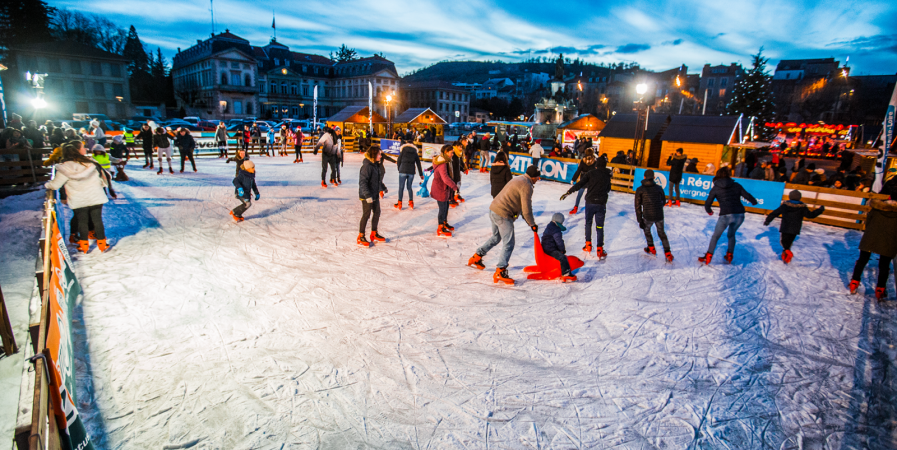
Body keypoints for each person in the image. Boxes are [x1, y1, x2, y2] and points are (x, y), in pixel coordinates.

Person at [467, 165, 542, 285]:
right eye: (537, 177)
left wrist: (528, 221)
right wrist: (532, 224)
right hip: (503, 214)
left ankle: (477, 256)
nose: (538, 179)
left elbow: (522, 208)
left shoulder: (519, 179)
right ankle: (500, 271)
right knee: (509, 243)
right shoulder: (527, 185)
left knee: (496, 237)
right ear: (533, 177)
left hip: (493, 209)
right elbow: (526, 209)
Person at [45, 144, 111, 253]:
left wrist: (47, 185)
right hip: (96, 196)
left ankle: (84, 244)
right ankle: (102, 243)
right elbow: (103, 178)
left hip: (79, 199)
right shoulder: (90, 164)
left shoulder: (64, 168)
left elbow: (55, 185)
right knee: (97, 220)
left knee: (82, 221)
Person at [699, 167, 758, 264]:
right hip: (739, 215)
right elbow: (747, 195)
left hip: (726, 215)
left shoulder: (716, 188)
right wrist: (754, 201)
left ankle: (708, 256)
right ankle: (729, 255)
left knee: (715, 236)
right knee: (731, 234)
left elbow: (708, 203)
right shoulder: (736, 185)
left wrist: (709, 211)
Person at [848, 186, 896, 299]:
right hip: (888, 240)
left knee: (862, 260)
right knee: (884, 265)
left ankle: (854, 283)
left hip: (871, 237)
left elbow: (868, 222)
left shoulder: (877, 208)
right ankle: (880, 290)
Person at [560, 155, 612, 259]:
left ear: (596, 165)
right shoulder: (607, 175)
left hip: (590, 203)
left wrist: (569, 192)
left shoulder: (591, 173)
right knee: (600, 226)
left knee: (588, 223)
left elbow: (580, 184)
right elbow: (608, 189)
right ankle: (599, 249)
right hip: (601, 204)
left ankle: (588, 245)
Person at [764, 190, 825, 264]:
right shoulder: (802, 207)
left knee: (784, 241)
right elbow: (810, 215)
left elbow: (774, 213)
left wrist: (768, 220)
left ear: (790, 197)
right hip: (795, 228)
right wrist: (820, 210)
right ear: (799, 198)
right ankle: (786, 254)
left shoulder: (785, 206)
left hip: (785, 226)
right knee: (789, 241)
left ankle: (786, 251)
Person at [635, 169, 673, 262]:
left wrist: (640, 220)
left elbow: (637, 205)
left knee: (646, 230)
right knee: (661, 233)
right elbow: (663, 201)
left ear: (644, 177)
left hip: (648, 216)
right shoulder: (659, 188)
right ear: (654, 178)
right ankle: (668, 252)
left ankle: (651, 247)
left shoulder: (640, 190)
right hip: (659, 215)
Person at [358, 146, 386, 247]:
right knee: (366, 214)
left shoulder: (376, 165)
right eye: (379, 154)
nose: (381, 156)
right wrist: (367, 195)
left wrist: (382, 187)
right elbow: (363, 182)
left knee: (377, 212)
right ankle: (361, 235)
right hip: (367, 195)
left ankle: (374, 233)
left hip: (374, 193)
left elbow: (377, 180)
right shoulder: (367, 166)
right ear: (374, 155)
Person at [430, 145, 458, 236]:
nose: (453, 154)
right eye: (451, 152)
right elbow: (445, 178)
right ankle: (440, 227)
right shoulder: (442, 163)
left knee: (445, 206)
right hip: (440, 188)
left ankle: (444, 223)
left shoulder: (444, 160)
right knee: (442, 208)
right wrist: (454, 186)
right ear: (446, 152)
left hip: (443, 188)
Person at [540, 213, 577, 282]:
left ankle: (561, 268)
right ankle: (566, 273)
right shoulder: (556, 229)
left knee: (560, 255)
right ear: (559, 221)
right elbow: (559, 241)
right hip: (550, 249)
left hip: (547, 247)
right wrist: (562, 250)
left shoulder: (550, 225)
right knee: (562, 257)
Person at [394, 139, 423, 210]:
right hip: (411, 171)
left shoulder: (403, 150)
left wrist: (399, 168)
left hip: (403, 170)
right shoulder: (415, 152)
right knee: (409, 187)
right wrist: (421, 174)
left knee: (401, 187)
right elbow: (418, 163)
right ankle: (411, 202)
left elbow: (399, 160)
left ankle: (400, 203)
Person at [569, 150, 597, 214]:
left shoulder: (583, 160)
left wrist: (573, 179)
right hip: (591, 179)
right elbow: (597, 171)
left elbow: (578, 170)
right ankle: (590, 208)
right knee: (590, 194)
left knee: (579, 194)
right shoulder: (594, 161)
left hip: (584, 179)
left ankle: (575, 207)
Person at [450, 140, 467, 205]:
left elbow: (460, 163)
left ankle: (457, 195)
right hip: (453, 172)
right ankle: (451, 198)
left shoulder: (459, 153)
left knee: (458, 184)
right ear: (456, 147)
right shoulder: (453, 154)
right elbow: (452, 165)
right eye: (460, 147)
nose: (461, 148)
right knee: (453, 185)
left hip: (457, 171)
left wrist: (463, 169)